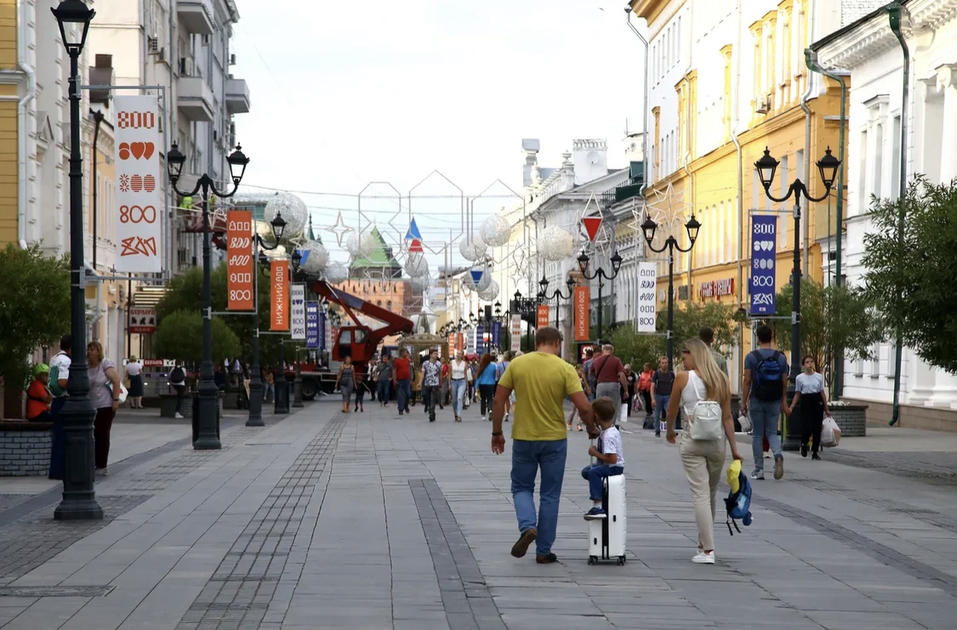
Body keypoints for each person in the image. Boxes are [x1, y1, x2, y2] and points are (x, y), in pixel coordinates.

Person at [491, 327, 596, 565]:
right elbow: (584, 406)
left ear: (537, 342)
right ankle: (543, 550)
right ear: (557, 343)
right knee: (550, 494)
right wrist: (591, 428)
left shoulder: (517, 365)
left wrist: (497, 432)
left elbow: (499, 400)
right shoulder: (565, 368)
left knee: (521, 487)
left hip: (524, 438)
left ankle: (528, 526)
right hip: (554, 440)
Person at [666, 339, 743, 565]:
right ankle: (703, 544)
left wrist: (670, 430)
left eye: (685, 357)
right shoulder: (721, 379)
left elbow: (671, 410)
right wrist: (735, 449)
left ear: (695, 354)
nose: (683, 362)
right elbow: (728, 417)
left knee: (700, 494)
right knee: (709, 494)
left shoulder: (683, 378)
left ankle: (708, 550)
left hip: (693, 441)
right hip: (717, 443)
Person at [741, 324, 789, 481]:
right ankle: (778, 455)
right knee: (772, 433)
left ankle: (759, 470)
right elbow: (783, 382)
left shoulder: (751, 357)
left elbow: (747, 380)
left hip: (757, 399)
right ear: (772, 337)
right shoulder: (780, 357)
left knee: (757, 435)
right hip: (774, 400)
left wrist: (743, 402)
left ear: (758, 338)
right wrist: (783, 401)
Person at [581, 397, 625, 520]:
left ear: (596, 416)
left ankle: (598, 505)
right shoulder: (608, 431)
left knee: (593, 472)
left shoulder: (608, 436)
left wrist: (595, 453)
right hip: (609, 465)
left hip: (613, 467)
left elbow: (612, 459)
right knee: (586, 472)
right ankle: (601, 489)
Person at [87, 341, 121, 475]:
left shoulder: (105, 364)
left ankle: (102, 465)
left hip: (105, 405)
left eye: (93, 349)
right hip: (91, 405)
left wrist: (115, 401)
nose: (90, 352)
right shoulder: (86, 366)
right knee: (92, 435)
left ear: (98, 351)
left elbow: (116, 380)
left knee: (102, 434)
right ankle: (93, 462)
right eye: (88, 349)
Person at [790, 354, 830, 460]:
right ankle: (804, 443)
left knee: (817, 427)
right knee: (807, 427)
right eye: (807, 362)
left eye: (811, 362)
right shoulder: (800, 378)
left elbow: (822, 392)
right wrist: (792, 407)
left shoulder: (818, 376)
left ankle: (815, 451)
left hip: (817, 401)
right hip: (806, 401)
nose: (809, 364)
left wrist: (826, 408)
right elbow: (797, 393)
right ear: (803, 365)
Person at [48, 334, 72, 480]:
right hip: (64, 400)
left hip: (56, 402)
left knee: (58, 436)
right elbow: (63, 381)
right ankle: (60, 470)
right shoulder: (65, 360)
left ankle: (55, 469)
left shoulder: (54, 358)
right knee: (64, 437)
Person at [651, 356, 675, 437]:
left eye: (665, 363)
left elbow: (674, 386)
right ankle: (657, 431)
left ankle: (670, 430)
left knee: (669, 413)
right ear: (660, 364)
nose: (664, 364)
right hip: (658, 395)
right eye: (662, 363)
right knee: (657, 414)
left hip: (668, 396)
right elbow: (652, 386)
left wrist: (673, 397)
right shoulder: (656, 374)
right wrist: (653, 399)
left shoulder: (671, 374)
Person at [567, 364, 591, 431]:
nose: (581, 372)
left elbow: (585, 385)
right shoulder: (574, 377)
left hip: (581, 395)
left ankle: (579, 425)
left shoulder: (583, 378)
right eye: (580, 371)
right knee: (573, 411)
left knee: (579, 411)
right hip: (574, 396)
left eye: (582, 371)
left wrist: (584, 379)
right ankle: (569, 423)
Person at [476, 353, 498, 420]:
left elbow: (479, 377)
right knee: (490, 398)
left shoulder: (482, 366)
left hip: (482, 384)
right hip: (491, 384)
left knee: (482, 399)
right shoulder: (493, 366)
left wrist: (476, 386)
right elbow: (495, 376)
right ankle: (490, 409)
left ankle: (483, 414)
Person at [449, 350, 469, 423]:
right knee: (454, 400)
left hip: (462, 381)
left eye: (460, 354)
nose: (458, 355)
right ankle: (455, 413)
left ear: (462, 355)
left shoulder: (464, 364)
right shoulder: (451, 363)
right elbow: (450, 374)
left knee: (459, 398)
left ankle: (459, 415)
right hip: (453, 381)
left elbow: (466, 374)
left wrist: (467, 385)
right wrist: (449, 384)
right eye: (457, 353)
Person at [422, 350, 441, 422]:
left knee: (433, 399)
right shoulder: (425, 363)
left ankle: (431, 413)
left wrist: (440, 383)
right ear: (430, 355)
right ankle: (429, 408)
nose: (436, 355)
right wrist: (420, 382)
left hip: (435, 383)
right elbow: (423, 373)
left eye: (437, 354)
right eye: (434, 354)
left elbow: (440, 374)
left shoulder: (439, 364)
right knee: (426, 397)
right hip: (427, 383)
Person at [392, 349, 412, 415]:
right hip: (399, 380)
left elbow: (409, 369)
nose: (407, 354)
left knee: (408, 394)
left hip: (407, 380)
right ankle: (400, 408)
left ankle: (406, 405)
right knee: (400, 395)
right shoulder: (397, 361)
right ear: (402, 353)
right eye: (406, 352)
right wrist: (394, 379)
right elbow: (394, 370)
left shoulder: (407, 360)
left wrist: (411, 378)